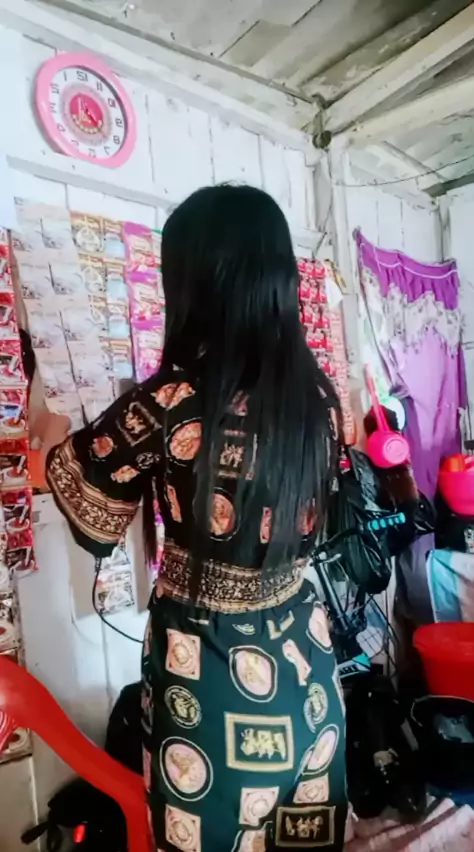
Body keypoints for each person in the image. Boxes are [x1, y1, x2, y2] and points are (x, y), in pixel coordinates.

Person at [44, 185, 347, 851]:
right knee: (303, 839)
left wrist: (45, 422)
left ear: (193, 284)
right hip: (307, 672)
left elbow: (88, 508)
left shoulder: (172, 401)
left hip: (209, 681)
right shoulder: (317, 402)